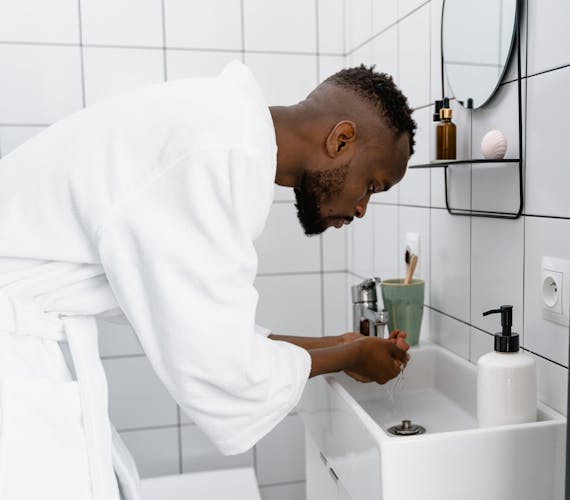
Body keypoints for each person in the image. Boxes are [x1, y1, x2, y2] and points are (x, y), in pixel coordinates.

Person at [0, 60, 416, 499]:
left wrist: (340, 346)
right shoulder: (217, 154)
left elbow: (213, 330)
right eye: (372, 185)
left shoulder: (223, 127)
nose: (362, 209)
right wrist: (350, 353)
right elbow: (224, 367)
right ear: (342, 139)